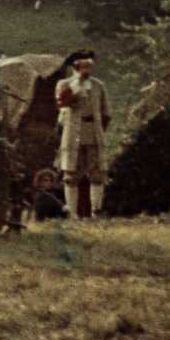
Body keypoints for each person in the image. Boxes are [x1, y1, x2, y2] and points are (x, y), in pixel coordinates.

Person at [55, 50, 110, 218]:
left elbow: (106, 112)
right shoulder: (64, 84)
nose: (87, 70)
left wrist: (99, 129)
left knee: (97, 173)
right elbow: (61, 103)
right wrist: (76, 83)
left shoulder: (98, 85)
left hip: (94, 133)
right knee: (71, 174)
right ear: (76, 67)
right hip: (74, 135)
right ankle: (71, 213)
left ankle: (96, 212)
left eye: (89, 66)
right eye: (83, 66)